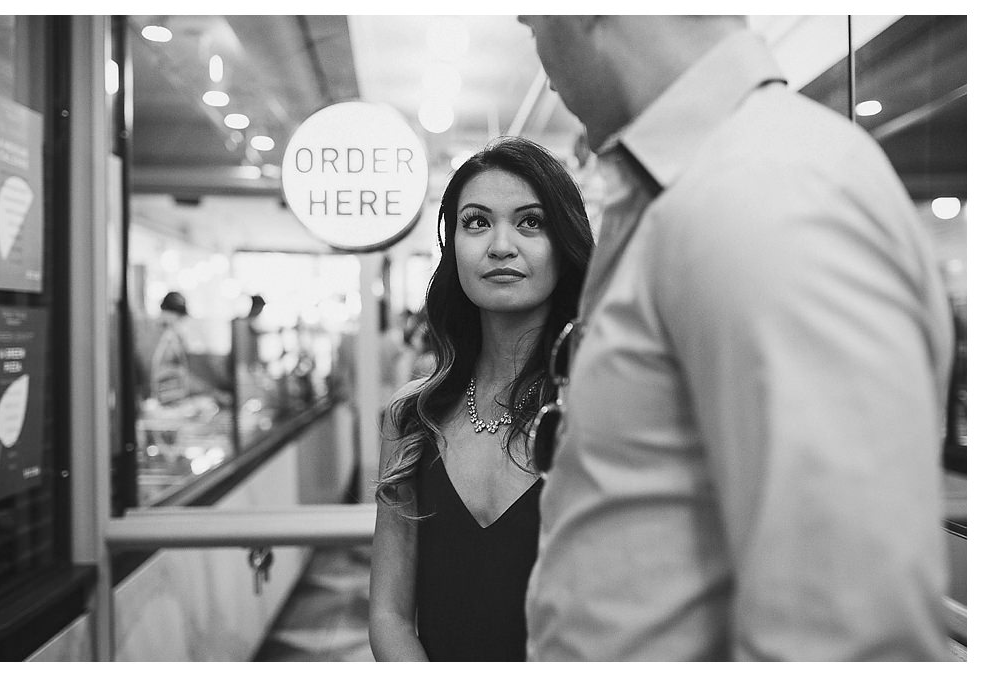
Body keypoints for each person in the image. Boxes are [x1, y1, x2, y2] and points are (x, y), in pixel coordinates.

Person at [517, 16, 954, 660]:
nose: (529, 23)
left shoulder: (765, 190)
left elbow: (842, 639)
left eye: (531, 10)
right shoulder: (691, 189)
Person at [368, 136, 594, 661]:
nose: (500, 245)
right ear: (453, 250)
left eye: (530, 222)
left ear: (564, 243)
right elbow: (390, 614)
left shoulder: (598, 409)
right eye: (476, 222)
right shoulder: (413, 414)